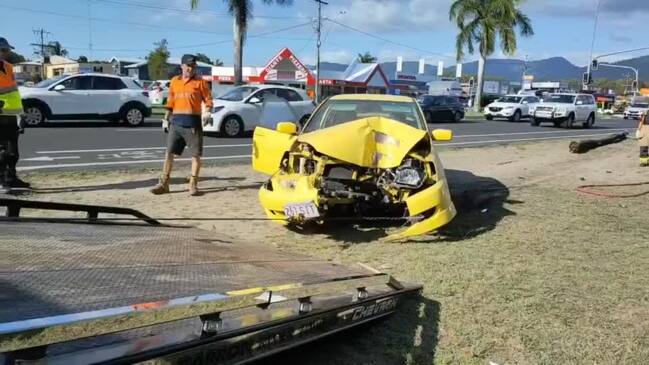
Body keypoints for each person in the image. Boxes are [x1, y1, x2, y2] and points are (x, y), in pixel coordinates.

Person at [150, 54, 213, 196]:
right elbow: (171, 101)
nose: (191, 69)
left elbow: (208, 100)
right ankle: (164, 183)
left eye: (193, 66)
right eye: (188, 66)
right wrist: (166, 118)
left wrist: (207, 112)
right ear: (182, 66)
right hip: (176, 123)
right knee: (169, 153)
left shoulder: (200, 82)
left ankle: (193, 185)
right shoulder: (174, 81)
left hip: (193, 123)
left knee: (195, 155)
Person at [0, 37, 29, 192]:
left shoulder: (9, 67)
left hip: (11, 114)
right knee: (2, 151)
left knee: (12, 152)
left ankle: (11, 178)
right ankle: (3, 182)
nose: (6, 53)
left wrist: (21, 113)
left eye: (7, 50)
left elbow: (13, 92)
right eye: (3, 50)